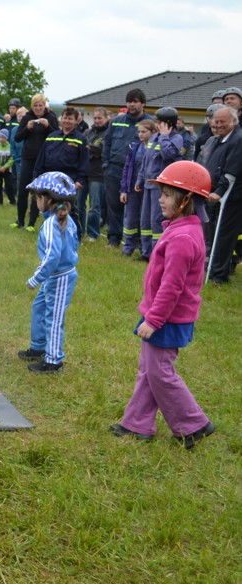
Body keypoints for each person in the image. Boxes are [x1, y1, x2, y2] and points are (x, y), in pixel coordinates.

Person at [110, 161, 215, 450]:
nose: (160, 199)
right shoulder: (180, 229)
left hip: (168, 319)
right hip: (163, 316)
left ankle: (193, 424)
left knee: (160, 373)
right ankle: (137, 423)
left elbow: (172, 288)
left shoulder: (182, 238)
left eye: (167, 195)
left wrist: (153, 320)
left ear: (186, 200)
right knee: (149, 369)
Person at [16, 172, 79, 373]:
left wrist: (35, 279)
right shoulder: (60, 220)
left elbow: (52, 257)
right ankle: (38, 346)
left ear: (47, 199)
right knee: (39, 307)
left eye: (36, 197)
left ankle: (53, 361)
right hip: (54, 277)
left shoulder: (52, 225)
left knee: (54, 317)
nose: (35, 201)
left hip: (60, 278)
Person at [102, 89, 154, 247]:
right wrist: (106, 164)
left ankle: (137, 241)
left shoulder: (150, 123)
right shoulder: (116, 121)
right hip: (114, 169)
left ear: (143, 103)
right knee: (114, 206)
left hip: (138, 173)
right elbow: (107, 143)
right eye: (129, 101)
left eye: (135, 101)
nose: (132, 104)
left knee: (138, 208)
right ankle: (114, 238)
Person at [134, 107, 183, 262]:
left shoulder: (176, 138)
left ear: (168, 123)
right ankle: (146, 253)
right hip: (148, 184)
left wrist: (164, 136)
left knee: (157, 221)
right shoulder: (154, 137)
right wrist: (139, 179)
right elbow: (146, 161)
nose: (156, 124)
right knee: (145, 221)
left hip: (161, 186)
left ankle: (158, 253)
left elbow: (168, 154)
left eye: (159, 121)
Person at [202, 106, 242, 284]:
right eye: (215, 122)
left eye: (222, 122)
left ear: (233, 121)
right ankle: (212, 266)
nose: (217, 125)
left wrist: (219, 192)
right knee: (211, 232)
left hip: (230, 196)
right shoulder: (218, 140)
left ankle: (218, 274)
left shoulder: (238, 140)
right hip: (212, 194)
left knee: (223, 235)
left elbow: (231, 171)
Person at [33, 107, 88, 236]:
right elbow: (41, 159)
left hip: (69, 181)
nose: (67, 121)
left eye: (70, 118)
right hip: (50, 180)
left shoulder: (80, 139)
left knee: (69, 210)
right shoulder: (51, 137)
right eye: (65, 118)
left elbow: (84, 162)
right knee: (48, 208)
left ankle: (75, 235)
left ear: (76, 121)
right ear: (61, 119)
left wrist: (80, 181)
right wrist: (36, 178)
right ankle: (50, 232)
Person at [13, 94, 59, 230]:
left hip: (43, 160)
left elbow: (57, 136)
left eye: (40, 105)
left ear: (44, 105)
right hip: (27, 157)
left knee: (37, 191)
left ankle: (32, 222)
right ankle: (20, 220)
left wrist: (48, 126)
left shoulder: (51, 117)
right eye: (35, 106)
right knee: (22, 190)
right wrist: (27, 128)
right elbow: (17, 138)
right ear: (32, 106)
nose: (38, 108)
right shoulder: (27, 117)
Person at [120, 120, 157, 257]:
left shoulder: (155, 147)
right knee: (130, 218)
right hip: (132, 188)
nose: (140, 135)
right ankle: (128, 247)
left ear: (153, 132)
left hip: (149, 188)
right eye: (139, 131)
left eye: (144, 132)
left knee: (145, 219)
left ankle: (145, 248)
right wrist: (123, 189)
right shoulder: (134, 148)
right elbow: (127, 169)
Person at [79, 107, 109, 241]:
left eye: (99, 118)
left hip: (98, 174)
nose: (97, 120)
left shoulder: (108, 133)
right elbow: (80, 148)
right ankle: (78, 231)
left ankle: (93, 233)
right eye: (95, 118)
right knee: (79, 204)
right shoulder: (87, 132)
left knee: (94, 206)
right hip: (83, 172)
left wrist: (88, 147)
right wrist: (88, 147)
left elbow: (100, 150)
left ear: (106, 118)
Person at [0, 128, 15, 205]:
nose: (1, 139)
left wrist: (5, 167)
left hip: (7, 170)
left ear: (6, 137)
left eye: (3, 137)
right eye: (0, 137)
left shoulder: (10, 146)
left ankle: (12, 200)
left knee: (9, 186)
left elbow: (12, 158)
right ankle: (0, 201)